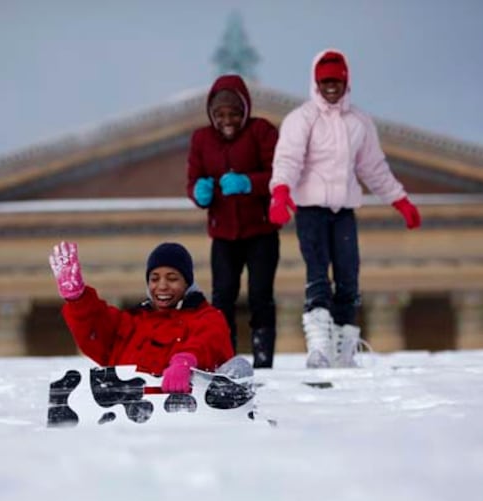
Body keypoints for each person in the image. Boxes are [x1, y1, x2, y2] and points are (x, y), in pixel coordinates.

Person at [268, 49, 421, 369]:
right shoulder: (302, 119)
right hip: (310, 209)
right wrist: (281, 192)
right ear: (315, 82)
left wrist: (399, 199)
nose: (331, 86)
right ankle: (320, 344)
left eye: (336, 80)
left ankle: (343, 346)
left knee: (349, 277)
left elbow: (373, 168)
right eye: (325, 81)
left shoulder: (359, 122)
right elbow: (288, 159)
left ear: (346, 81)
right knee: (318, 275)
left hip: (343, 210)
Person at [49, 241, 238, 393]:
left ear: (187, 283)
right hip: (122, 428)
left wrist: (187, 359)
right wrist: (78, 299)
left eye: (172, 278)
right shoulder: (132, 321)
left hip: (180, 427)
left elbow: (209, 341)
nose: (162, 286)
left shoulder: (206, 317)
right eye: (154, 279)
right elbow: (95, 330)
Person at [186, 74, 281, 368]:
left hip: (261, 230)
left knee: (260, 295)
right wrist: (199, 194)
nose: (227, 120)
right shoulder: (201, 139)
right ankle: (225, 358)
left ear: (245, 111)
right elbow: (193, 180)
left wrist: (248, 183)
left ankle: (263, 360)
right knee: (222, 296)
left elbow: (280, 175)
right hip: (223, 234)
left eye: (234, 113)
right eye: (220, 115)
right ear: (211, 115)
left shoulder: (261, 131)